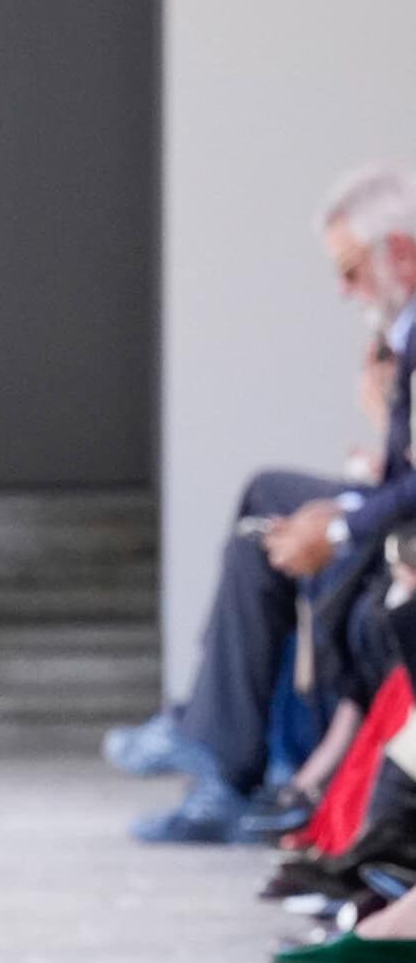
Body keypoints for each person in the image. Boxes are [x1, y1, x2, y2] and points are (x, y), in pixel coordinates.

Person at [103, 164, 416, 844]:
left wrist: (339, 526)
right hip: (394, 509)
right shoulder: (400, 334)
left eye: (351, 270)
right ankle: (210, 738)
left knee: (272, 525)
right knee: (266, 502)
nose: (345, 290)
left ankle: (216, 751)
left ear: (399, 252)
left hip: (401, 529)